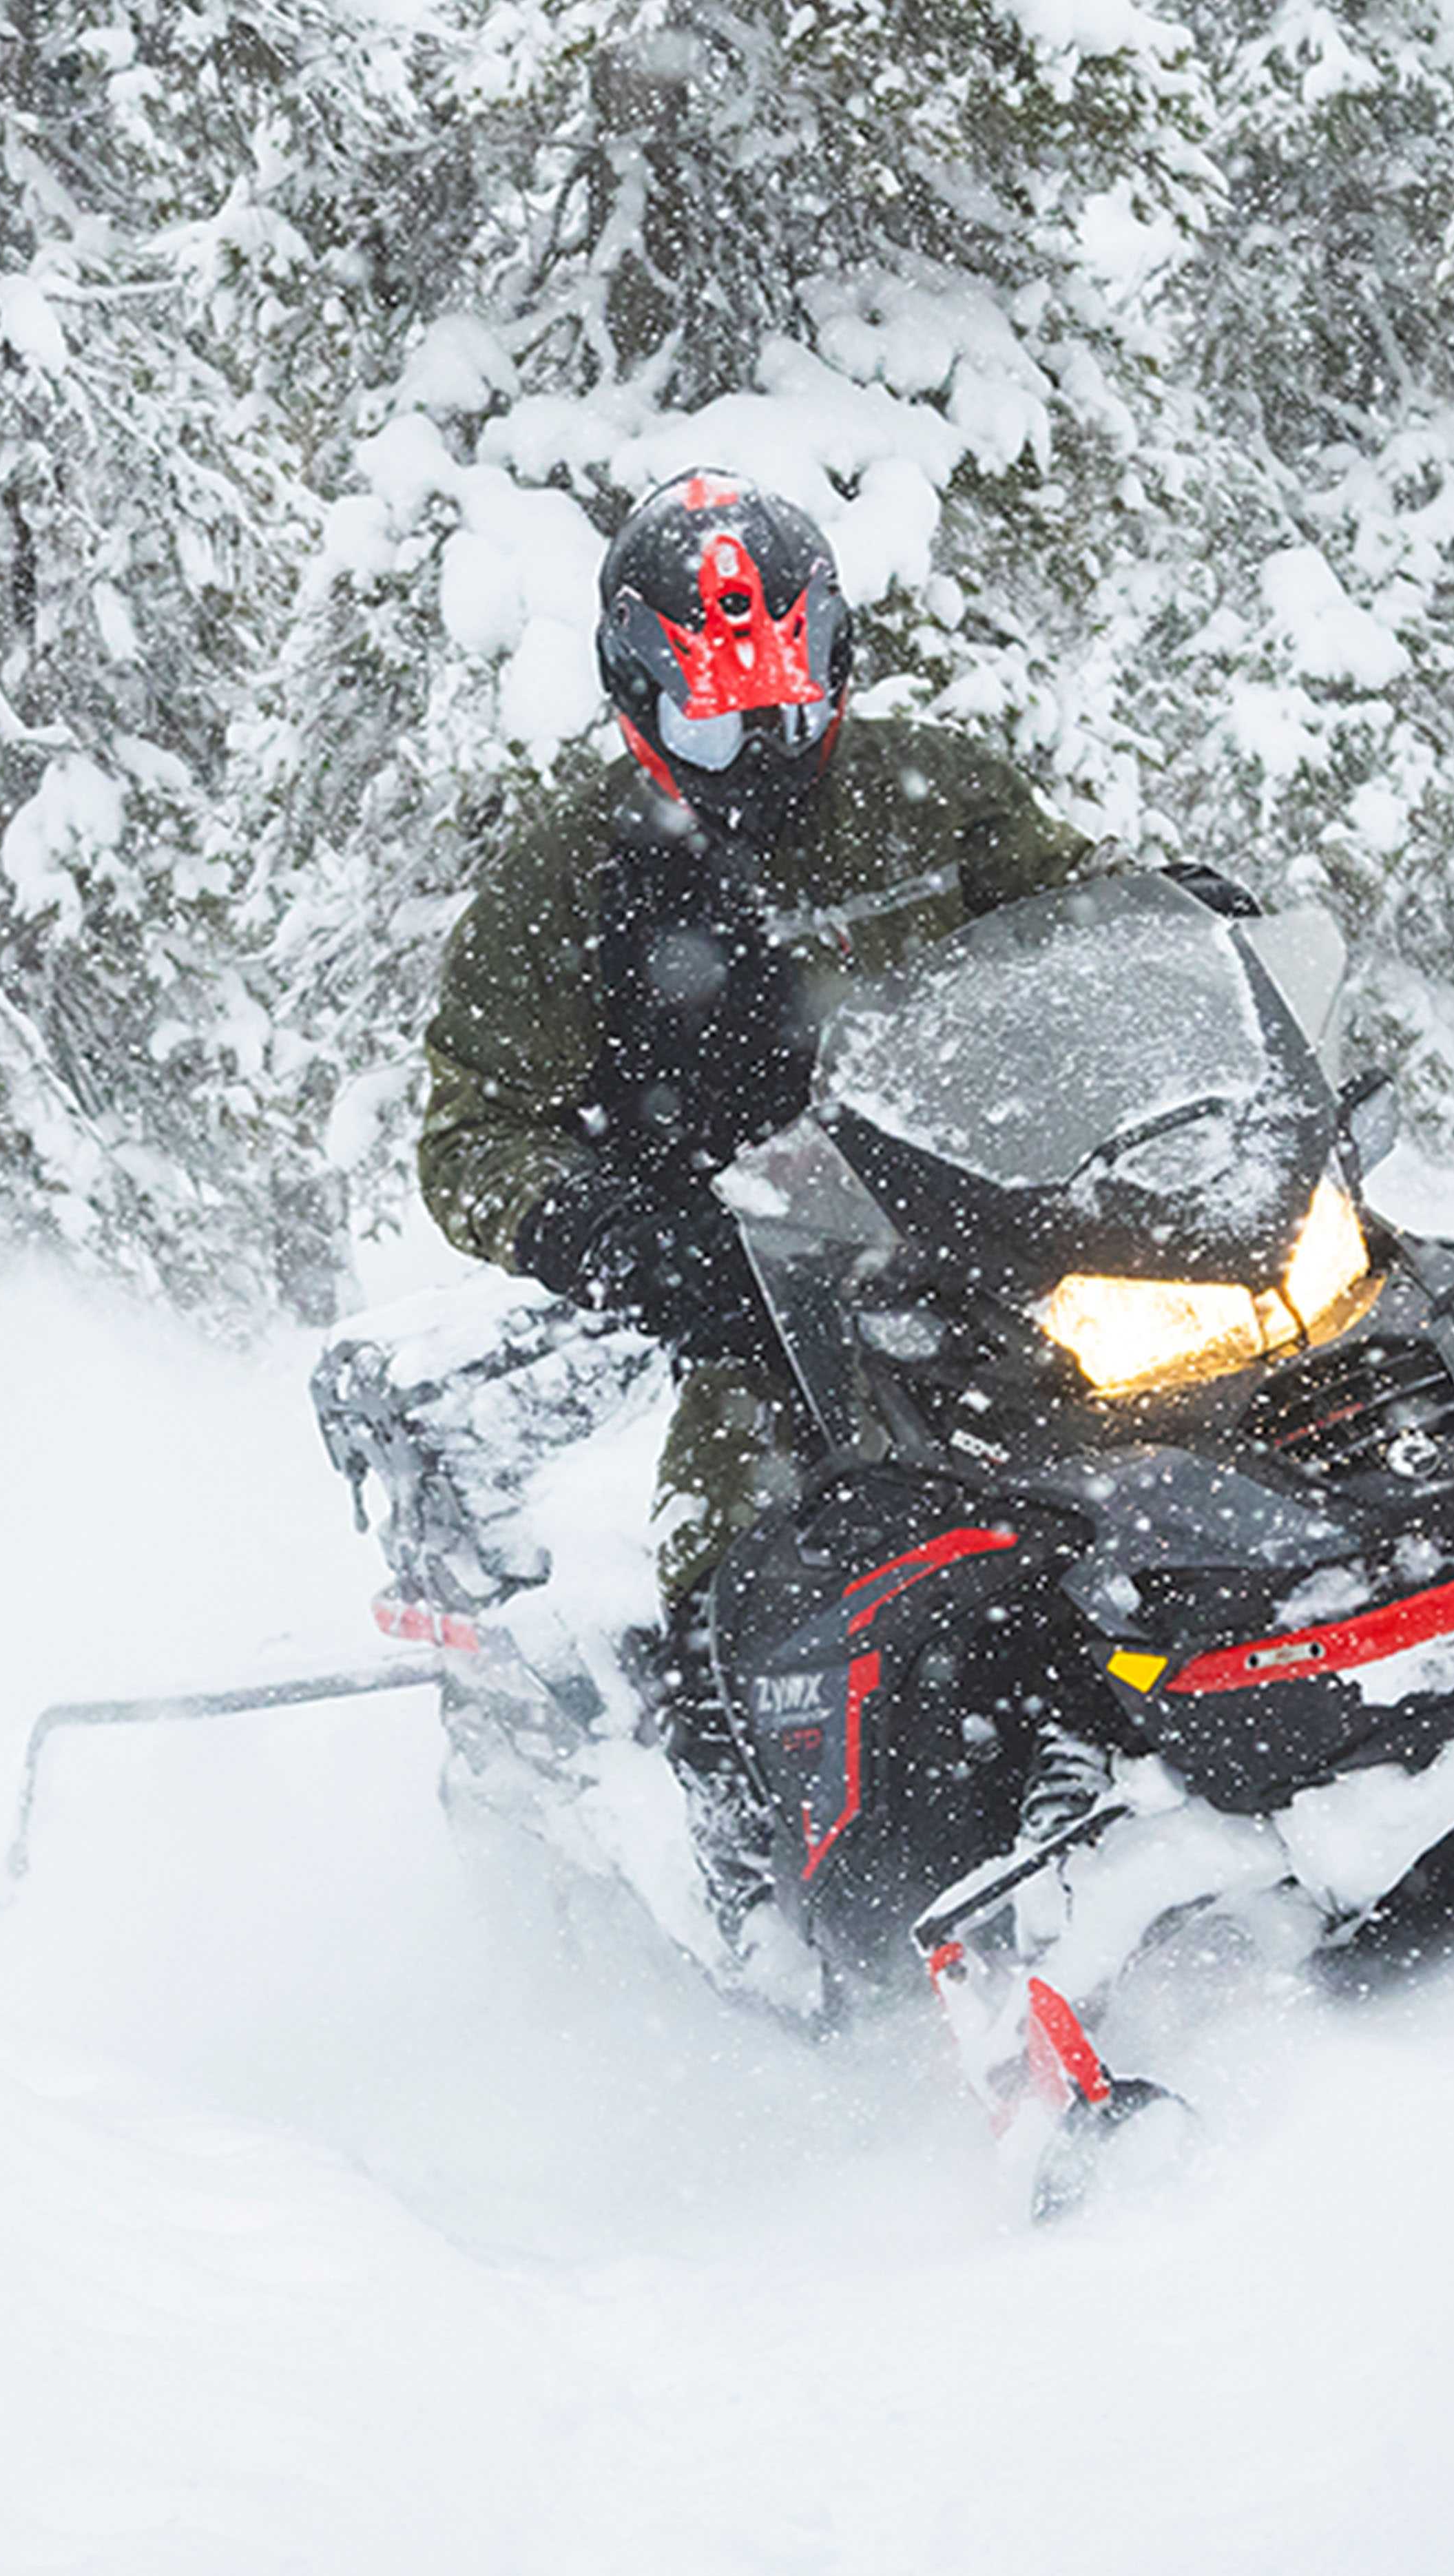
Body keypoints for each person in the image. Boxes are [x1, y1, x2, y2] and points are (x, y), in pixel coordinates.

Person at [416, 469, 1097, 1969]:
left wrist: (1169, 930)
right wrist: (619, 1236)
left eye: (782, 713)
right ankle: (764, 1883)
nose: (759, 756)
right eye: (720, 725)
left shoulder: (938, 789)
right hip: (760, 1305)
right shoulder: (570, 876)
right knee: (745, 1551)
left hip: (1005, 1238)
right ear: (639, 697)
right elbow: (471, 1132)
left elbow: (1075, 930)